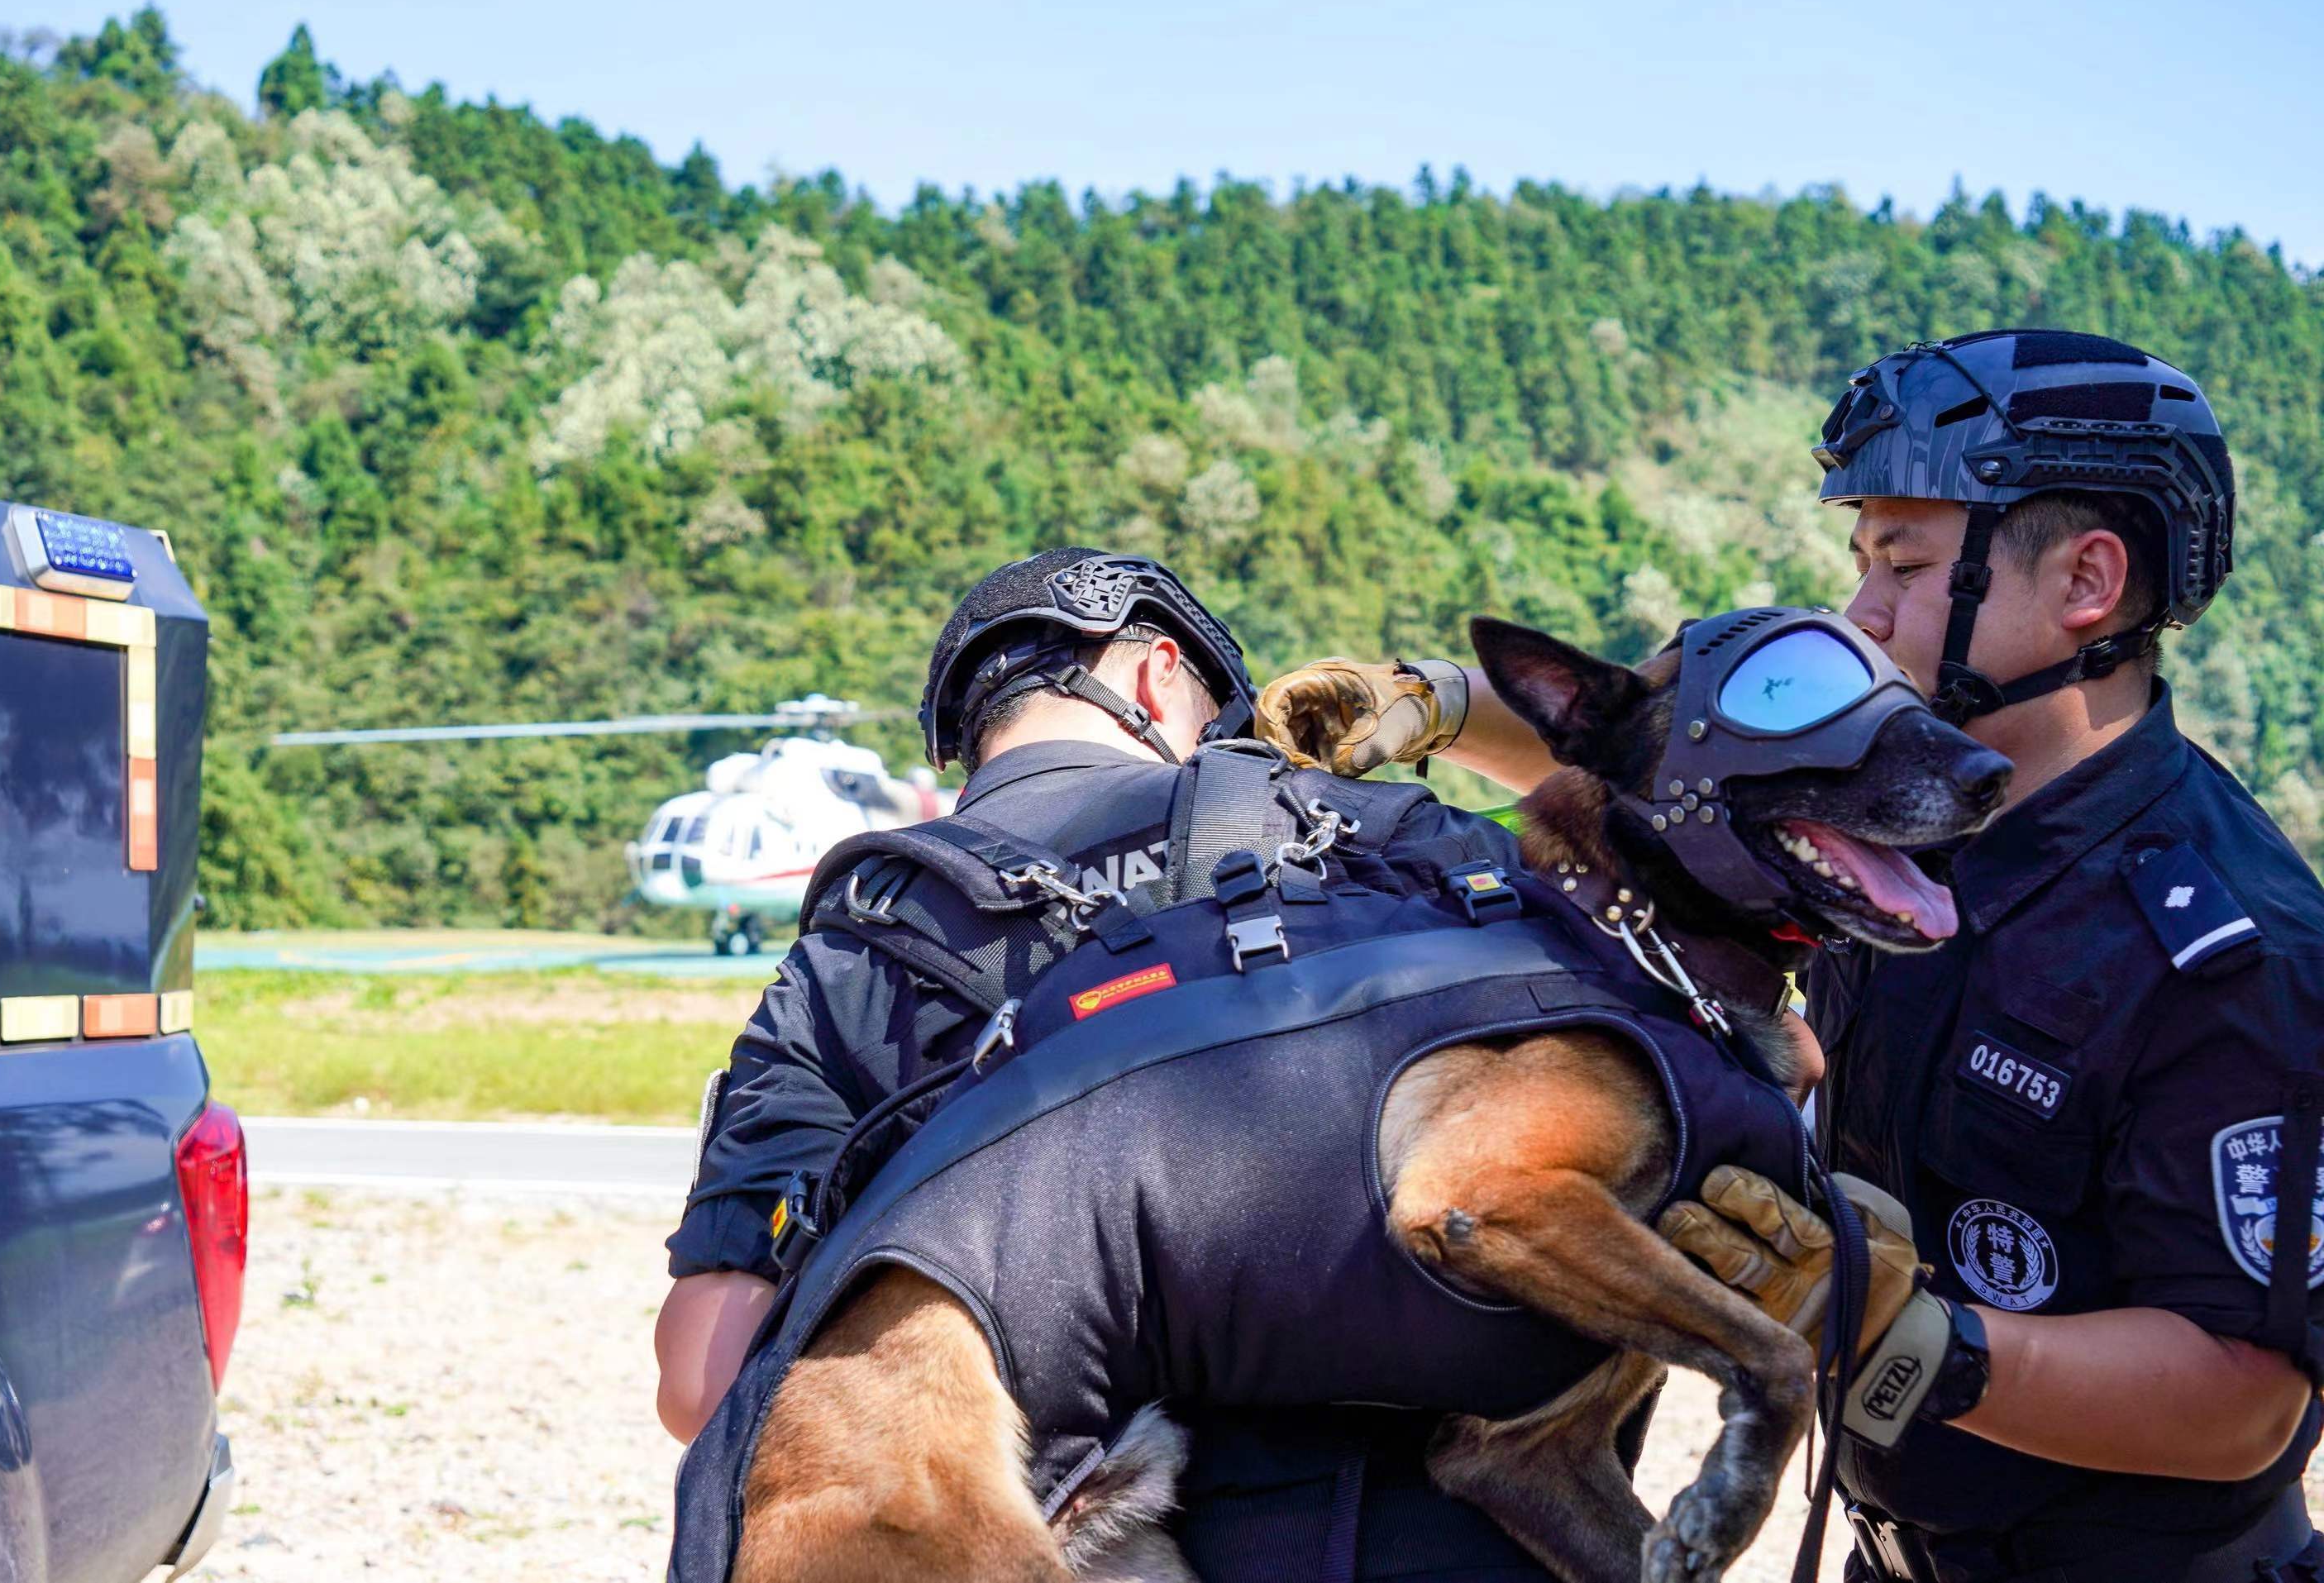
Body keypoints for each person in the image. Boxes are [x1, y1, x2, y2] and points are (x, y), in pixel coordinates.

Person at [1265, 329, 2324, 1582]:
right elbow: (1670, 787)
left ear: (2086, 583)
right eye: (1858, 561)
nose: (1860, 612)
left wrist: (1905, 1332)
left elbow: (2243, 1402)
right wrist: (1435, 702)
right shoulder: (1893, 814)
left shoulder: (2225, 951)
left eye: (1903, 564)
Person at [656, 546, 1588, 1582]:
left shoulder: (847, 949)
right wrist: (1442, 703)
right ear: (1153, 672)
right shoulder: (1363, 830)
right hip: (1428, 1529)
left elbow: (702, 1378)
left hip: (1044, 1535)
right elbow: (1658, 849)